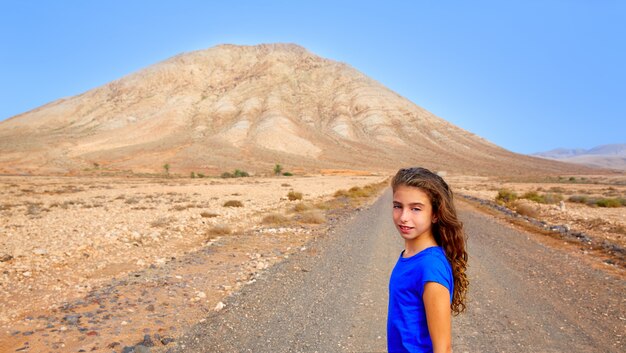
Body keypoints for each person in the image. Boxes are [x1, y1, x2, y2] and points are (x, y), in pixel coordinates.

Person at [387, 167, 468, 353]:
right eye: (398, 206)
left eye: (416, 209)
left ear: (435, 214)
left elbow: (443, 349)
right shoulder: (410, 256)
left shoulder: (430, 267)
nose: (403, 217)